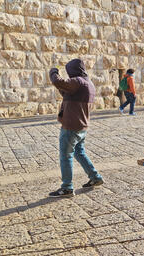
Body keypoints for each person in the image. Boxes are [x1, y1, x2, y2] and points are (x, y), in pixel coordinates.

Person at [48, 59, 104, 197]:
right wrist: (62, 86)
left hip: (71, 126)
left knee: (65, 156)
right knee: (79, 153)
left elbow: (57, 81)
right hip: (82, 126)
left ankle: (67, 187)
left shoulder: (78, 81)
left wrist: (54, 71)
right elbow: (67, 93)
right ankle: (95, 177)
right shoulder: (88, 83)